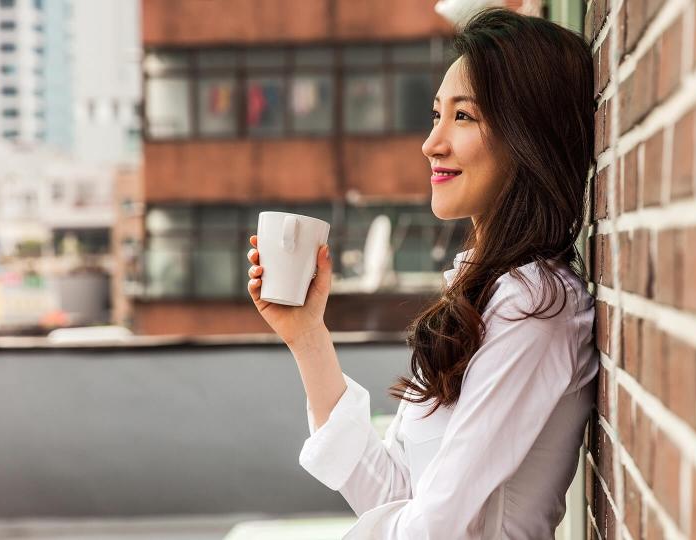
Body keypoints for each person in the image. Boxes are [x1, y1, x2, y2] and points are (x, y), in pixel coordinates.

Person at [246, 7, 598, 539]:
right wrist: (307, 337)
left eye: (464, 116)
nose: (432, 143)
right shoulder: (489, 292)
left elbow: (432, 529)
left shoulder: (535, 305)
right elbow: (394, 494)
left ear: (528, 136)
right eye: (437, 115)